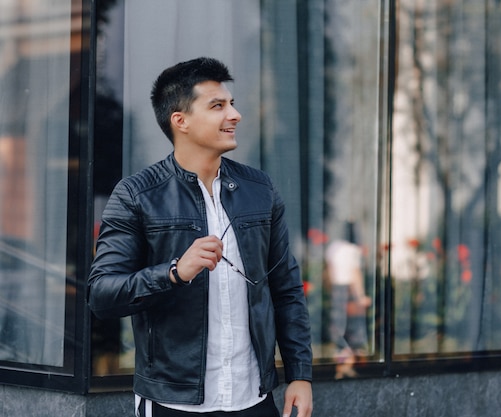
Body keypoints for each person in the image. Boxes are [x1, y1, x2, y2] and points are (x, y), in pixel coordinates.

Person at [88, 57, 313, 417]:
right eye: (217, 106)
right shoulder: (137, 195)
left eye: (232, 104)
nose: (234, 115)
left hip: (253, 398)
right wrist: (174, 272)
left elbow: (285, 289)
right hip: (173, 403)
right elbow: (102, 295)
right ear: (181, 121)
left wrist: (300, 375)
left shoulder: (260, 189)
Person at [324, 222, 370, 379]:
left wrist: (331, 291)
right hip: (350, 290)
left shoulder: (333, 247)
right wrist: (361, 296)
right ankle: (347, 366)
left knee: (339, 326)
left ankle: (341, 366)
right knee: (352, 330)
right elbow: (355, 273)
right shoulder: (353, 250)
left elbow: (329, 270)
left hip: (336, 288)